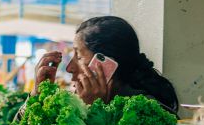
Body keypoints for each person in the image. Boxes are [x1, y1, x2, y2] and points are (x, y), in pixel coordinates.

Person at [33, 16, 179, 114]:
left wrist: (93, 112)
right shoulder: (81, 103)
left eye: (79, 56)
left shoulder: (148, 111)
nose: (69, 68)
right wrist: (36, 95)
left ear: (107, 65)